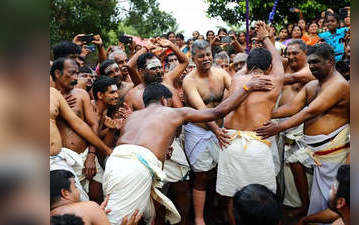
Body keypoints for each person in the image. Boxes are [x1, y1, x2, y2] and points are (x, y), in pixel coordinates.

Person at [103, 78, 273, 225]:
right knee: (119, 221)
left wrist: (161, 153)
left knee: (130, 216)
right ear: (164, 100)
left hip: (115, 162)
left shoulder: (133, 117)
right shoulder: (173, 112)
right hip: (135, 168)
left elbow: (138, 146)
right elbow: (217, 112)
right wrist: (247, 88)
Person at [256, 43, 350, 218]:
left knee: (333, 200)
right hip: (316, 151)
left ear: (330, 62)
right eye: (310, 62)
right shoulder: (313, 85)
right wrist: (262, 113)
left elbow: (310, 111)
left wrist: (278, 127)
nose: (312, 66)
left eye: (316, 62)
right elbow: (292, 107)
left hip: (333, 153)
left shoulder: (338, 84)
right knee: (319, 195)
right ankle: (309, 215)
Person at [217, 21, 284, 225]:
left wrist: (255, 49)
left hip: (230, 142)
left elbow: (252, 66)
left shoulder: (237, 79)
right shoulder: (273, 81)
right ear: (269, 67)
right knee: (263, 199)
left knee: (231, 198)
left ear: (248, 66)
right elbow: (278, 61)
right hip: (255, 145)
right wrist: (265, 37)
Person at [182, 39, 232, 225]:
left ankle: (225, 210)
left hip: (220, 129)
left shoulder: (221, 73)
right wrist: (217, 131)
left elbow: (235, 90)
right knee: (201, 176)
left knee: (224, 172)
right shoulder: (189, 81)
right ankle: (199, 218)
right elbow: (203, 110)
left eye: (208, 54)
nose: (206, 59)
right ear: (193, 58)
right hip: (199, 131)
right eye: (201, 56)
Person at [51, 57, 103, 202]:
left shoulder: (82, 95)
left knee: (98, 199)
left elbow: (93, 124)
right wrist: (59, 105)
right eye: (71, 73)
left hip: (87, 157)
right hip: (61, 161)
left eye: (77, 73)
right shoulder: (48, 97)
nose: (75, 78)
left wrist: (92, 156)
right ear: (57, 73)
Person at [278, 39, 315, 217]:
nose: (291, 56)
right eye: (288, 53)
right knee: (288, 171)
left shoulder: (309, 70)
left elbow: (293, 79)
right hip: (283, 126)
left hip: (303, 125)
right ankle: (298, 204)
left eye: (295, 53)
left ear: (305, 54)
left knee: (299, 165)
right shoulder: (286, 67)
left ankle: (308, 207)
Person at [124, 37, 188, 111]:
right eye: (153, 69)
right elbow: (129, 66)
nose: (159, 71)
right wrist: (145, 48)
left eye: (160, 67)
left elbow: (181, 115)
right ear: (141, 72)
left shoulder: (168, 86)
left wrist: (170, 45)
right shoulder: (132, 95)